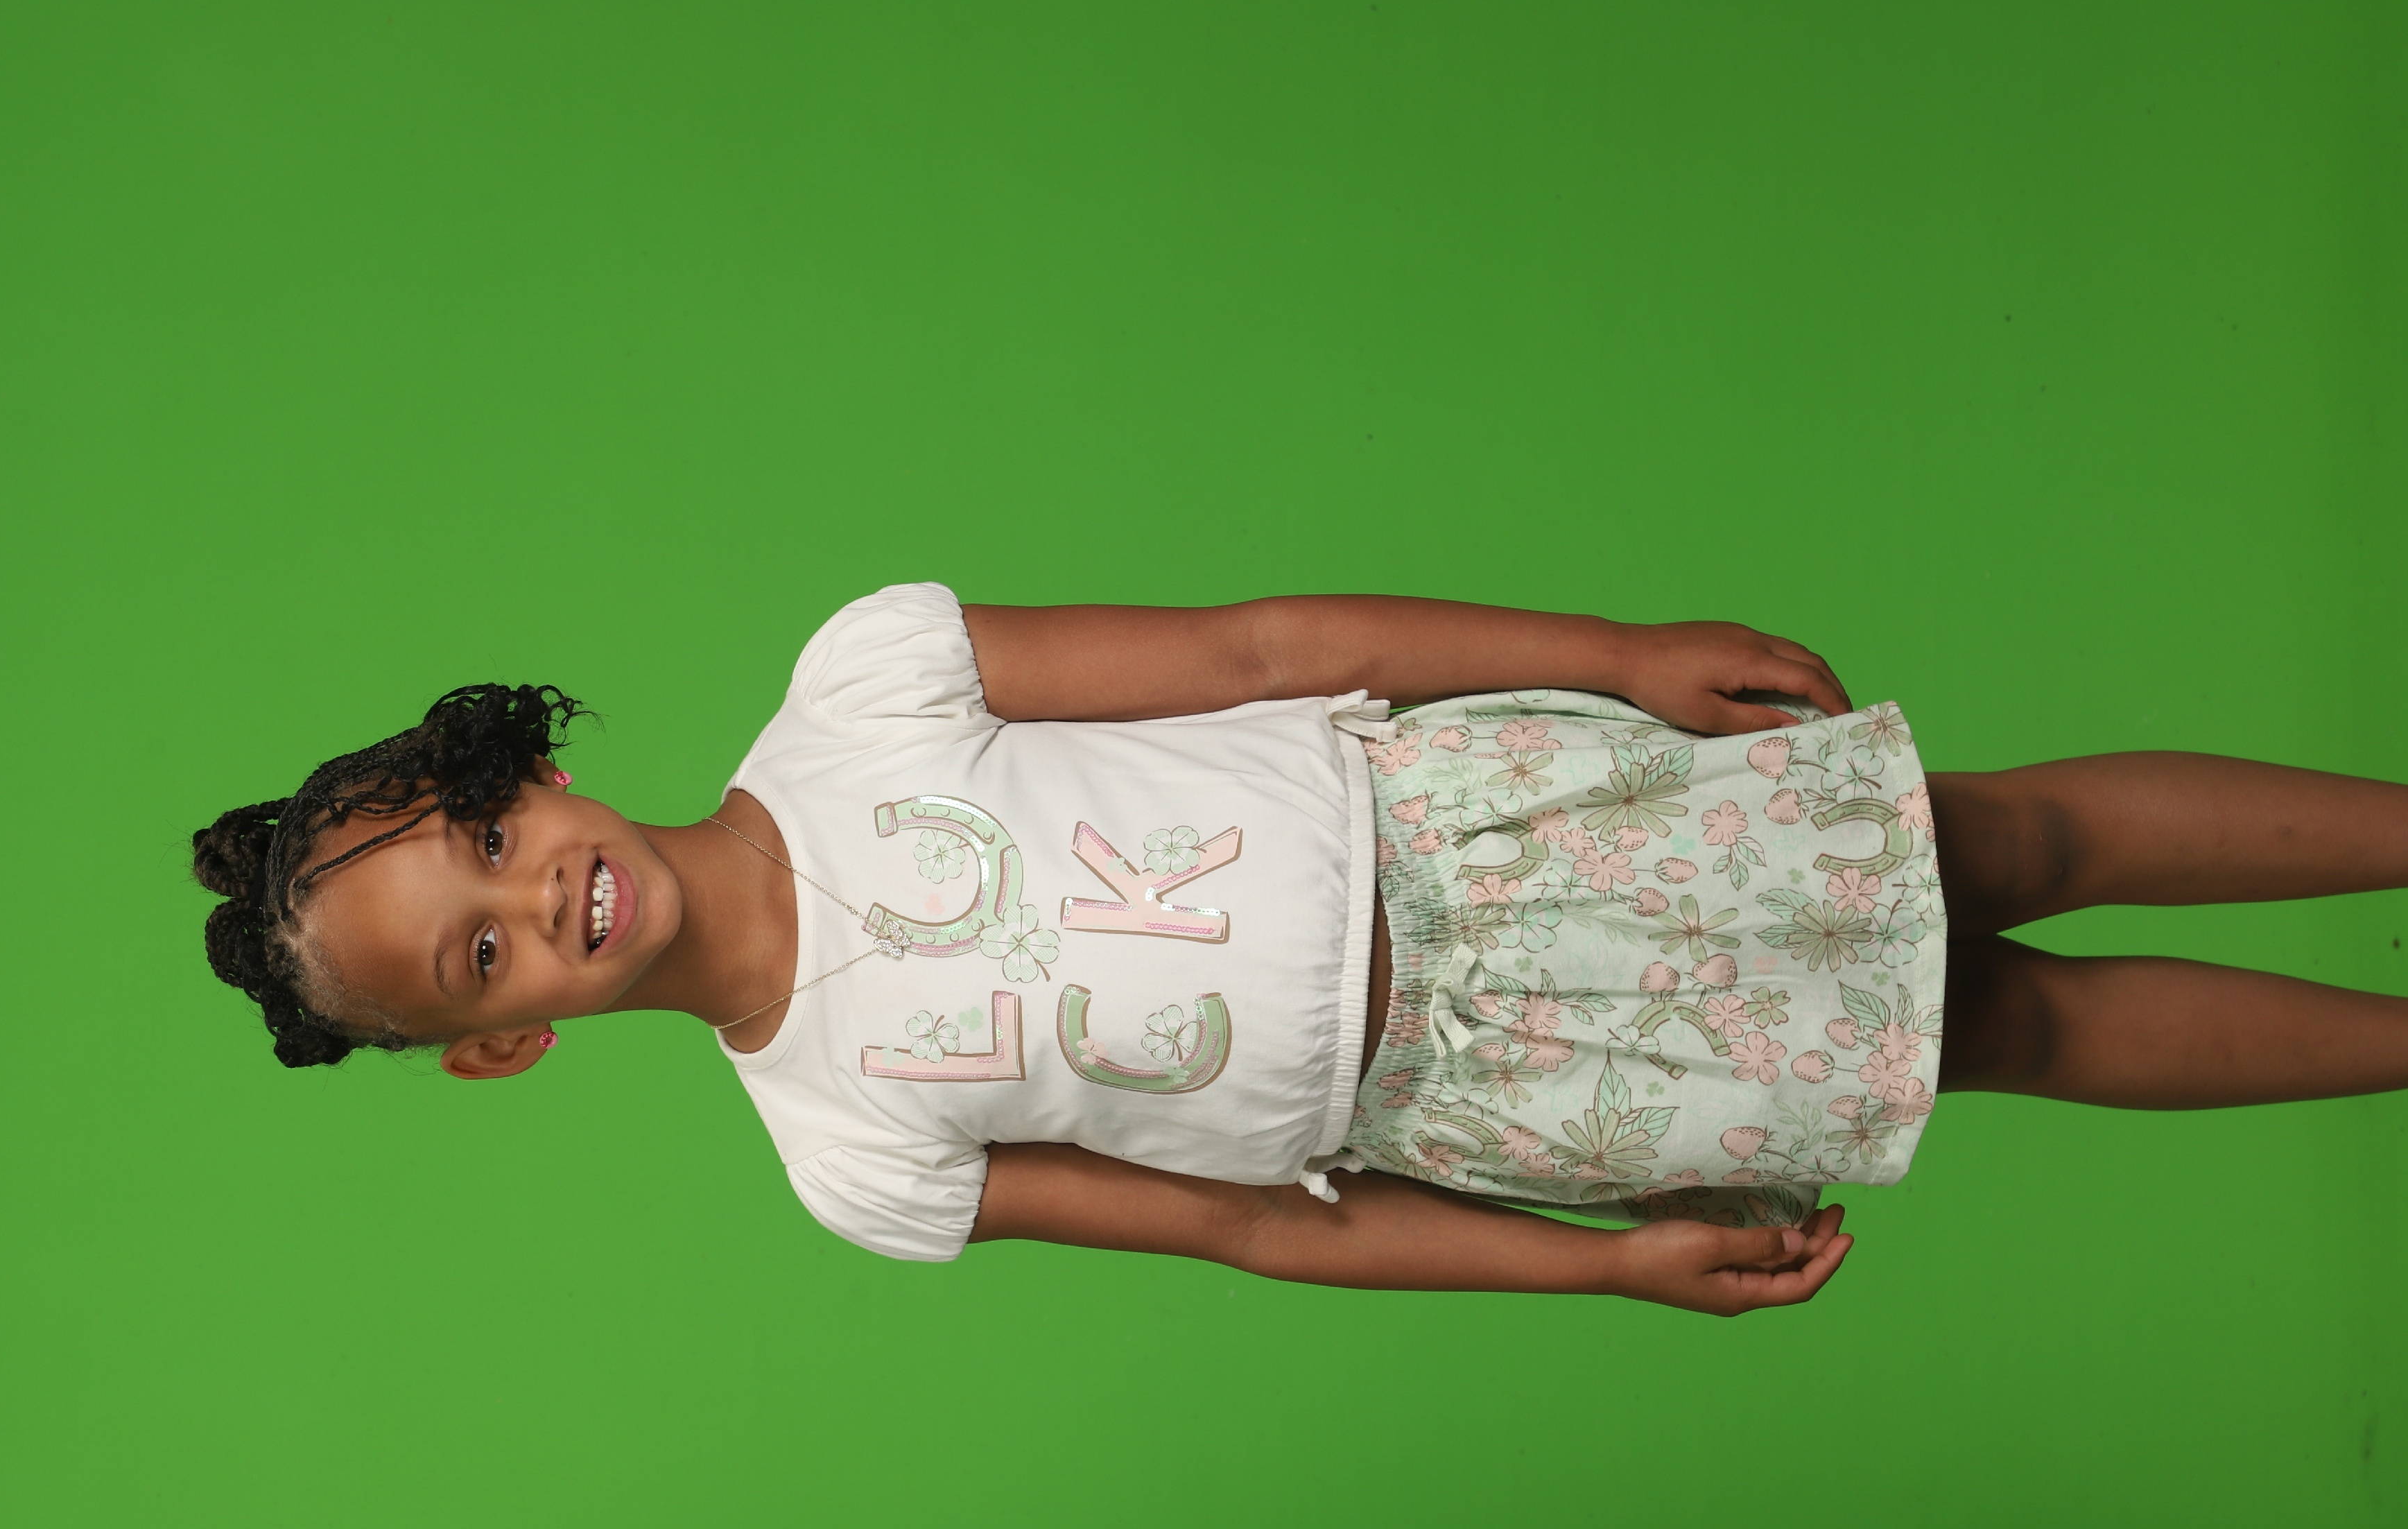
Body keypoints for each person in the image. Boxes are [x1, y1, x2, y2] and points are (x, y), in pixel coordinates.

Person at [191, 587, 2408, 1315]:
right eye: (481, 962)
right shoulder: (850, 1153)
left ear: (520, 769)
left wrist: (1611, 658)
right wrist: (1597, 1270)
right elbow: (1259, 1230)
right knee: (2005, 1025)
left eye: (490, 845)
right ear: (501, 1045)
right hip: (1498, 1088)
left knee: (2003, 834)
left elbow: (1266, 646)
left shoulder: (866, 684)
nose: (538, 904)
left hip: (1499, 815)